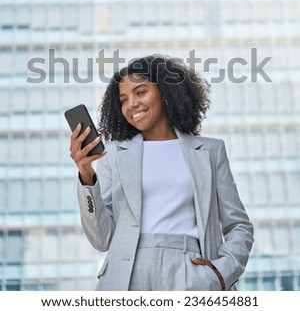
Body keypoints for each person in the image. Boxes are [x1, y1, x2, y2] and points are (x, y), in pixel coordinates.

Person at [70, 54, 254, 291]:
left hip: (190, 271)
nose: (131, 104)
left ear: (165, 92)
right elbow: (102, 239)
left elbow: (239, 225)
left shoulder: (210, 151)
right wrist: (86, 173)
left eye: (140, 92)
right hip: (125, 276)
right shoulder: (113, 155)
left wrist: (221, 273)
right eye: (123, 99)